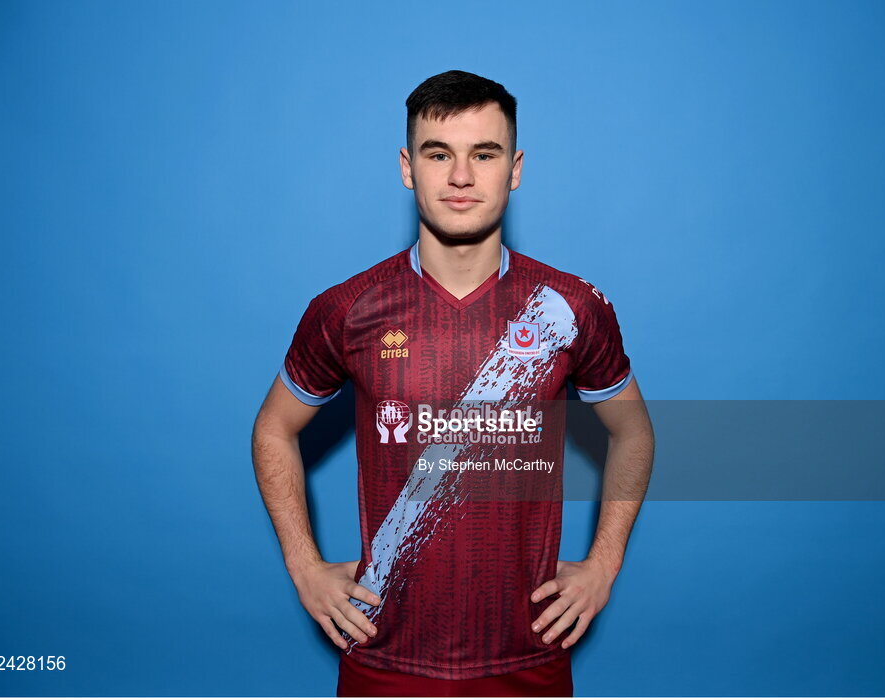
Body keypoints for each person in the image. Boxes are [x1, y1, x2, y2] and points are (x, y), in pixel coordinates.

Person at [251, 69, 655, 697]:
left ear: (514, 169)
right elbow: (274, 428)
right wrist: (304, 567)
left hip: (528, 657)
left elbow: (632, 432)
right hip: (383, 660)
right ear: (407, 168)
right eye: (438, 154)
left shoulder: (568, 307)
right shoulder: (347, 309)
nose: (461, 176)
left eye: (483, 154)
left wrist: (604, 565)